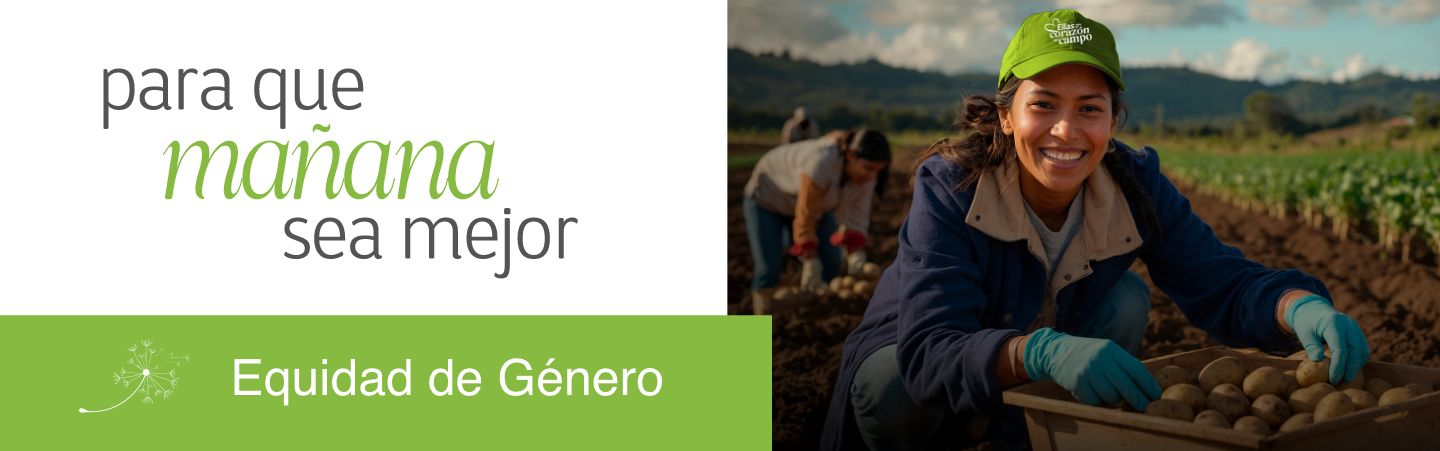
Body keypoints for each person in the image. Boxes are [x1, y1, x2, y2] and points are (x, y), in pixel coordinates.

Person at [821, 9, 1370, 451]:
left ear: (1112, 120)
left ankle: (1017, 432)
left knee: (1126, 298)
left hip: (1021, 345)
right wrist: (1036, 354)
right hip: (919, 361)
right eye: (1043, 105)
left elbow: (1220, 279)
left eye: (1089, 108)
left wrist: (1295, 305)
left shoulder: (1134, 185)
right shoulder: (953, 187)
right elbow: (930, 352)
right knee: (892, 386)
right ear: (1007, 115)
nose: (1067, 129)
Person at [744, 129, 891, 298]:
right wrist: (809, 258)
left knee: (832, 261)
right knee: (768, 268)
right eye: (868, 168)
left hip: (817, 205)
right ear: (850, 155)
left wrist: (856, 254)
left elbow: (857, 217)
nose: (871, 175)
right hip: (768, 199)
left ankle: (821, 308)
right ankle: (752, 320)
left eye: (877, 170)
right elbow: (806, 212)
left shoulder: (868, 178)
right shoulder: (821, 162)